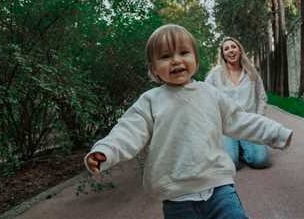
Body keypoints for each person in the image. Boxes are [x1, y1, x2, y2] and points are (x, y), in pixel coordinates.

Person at [85, 24, 293, 219]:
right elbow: (128, 130)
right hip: (176, 195)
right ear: (153, 68)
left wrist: (275, 132)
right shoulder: (150, 101)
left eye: (183, 53)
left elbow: (239, 119)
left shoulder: (210, 93)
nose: (176, 60)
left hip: (219, 186)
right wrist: (107, 151)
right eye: (165, 56)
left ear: (195, 59)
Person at [205, 37, 270, 170]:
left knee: (261, 161)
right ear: (223, 54)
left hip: (248, 124)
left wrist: (259, 118)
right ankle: (234, 149)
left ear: (240, 50)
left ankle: (243, 148)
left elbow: (262, 97)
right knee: (231, 163)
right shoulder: (215, 74)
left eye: (233, 47)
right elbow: (205, 97)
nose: (230, 50)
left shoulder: (252, 72)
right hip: (227, 127)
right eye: (226, 48)